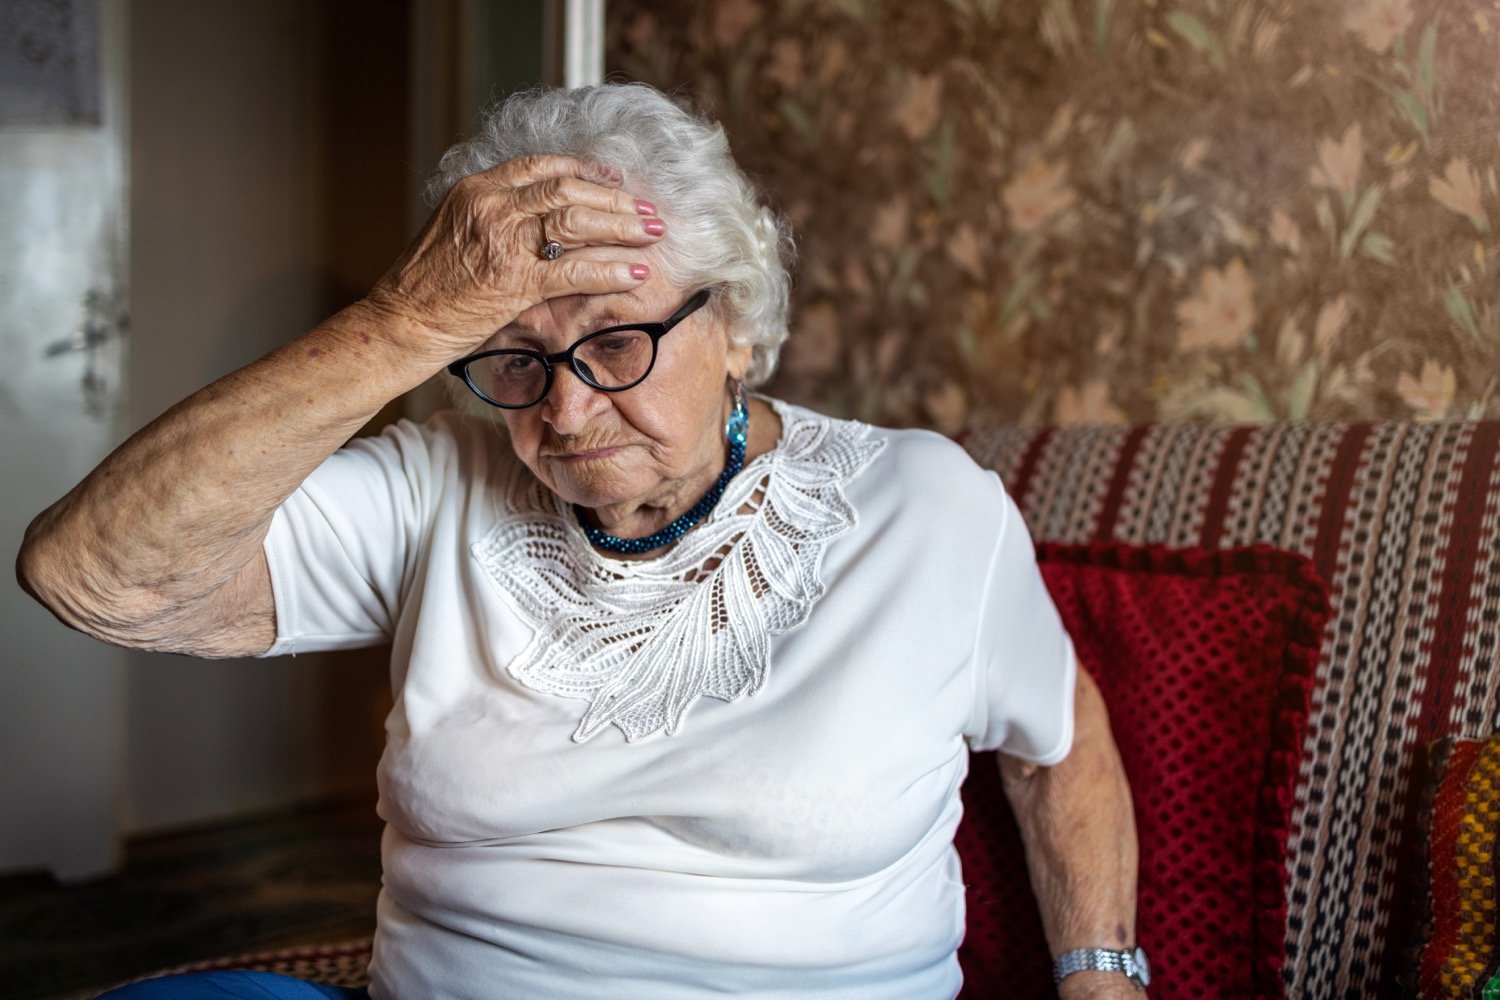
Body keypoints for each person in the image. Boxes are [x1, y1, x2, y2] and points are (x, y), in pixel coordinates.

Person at [18, 83, 1143, 999]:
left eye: (616, 344)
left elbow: (1055, 734)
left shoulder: (929, 508)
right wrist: (407, 321)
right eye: (512, 356)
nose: (560, 413)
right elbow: (90, 574)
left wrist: (1102, 978)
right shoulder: (439, 484)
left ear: (739, 325)